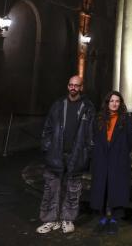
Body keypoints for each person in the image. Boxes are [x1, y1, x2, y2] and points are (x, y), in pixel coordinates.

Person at [36, 75, 95, 234]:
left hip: (76, 155)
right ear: (67, 86)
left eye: (77, 85)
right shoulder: (58, 105)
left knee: (73, 189)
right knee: (51, 188)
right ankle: (50, 220)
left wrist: (87, 152)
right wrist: (47, 147)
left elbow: (91, 133)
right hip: (56, 153)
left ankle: (67, 219)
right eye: (71, 85)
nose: (73, 88)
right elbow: (47, 128)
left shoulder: (88, 107)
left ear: (81, 87)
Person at [90, 91, 132, 235]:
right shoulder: (99, 118)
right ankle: (102, 218)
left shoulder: (126, 119)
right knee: (101, 186)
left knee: (118, 187)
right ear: (107, 103)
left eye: (117, 101)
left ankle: (115, 219)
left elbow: (130, 140)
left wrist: (120, 152)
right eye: (112, 101)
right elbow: (95, 137)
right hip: (102, 157)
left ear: (120, 103)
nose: (114, 103)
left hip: (119, 158)